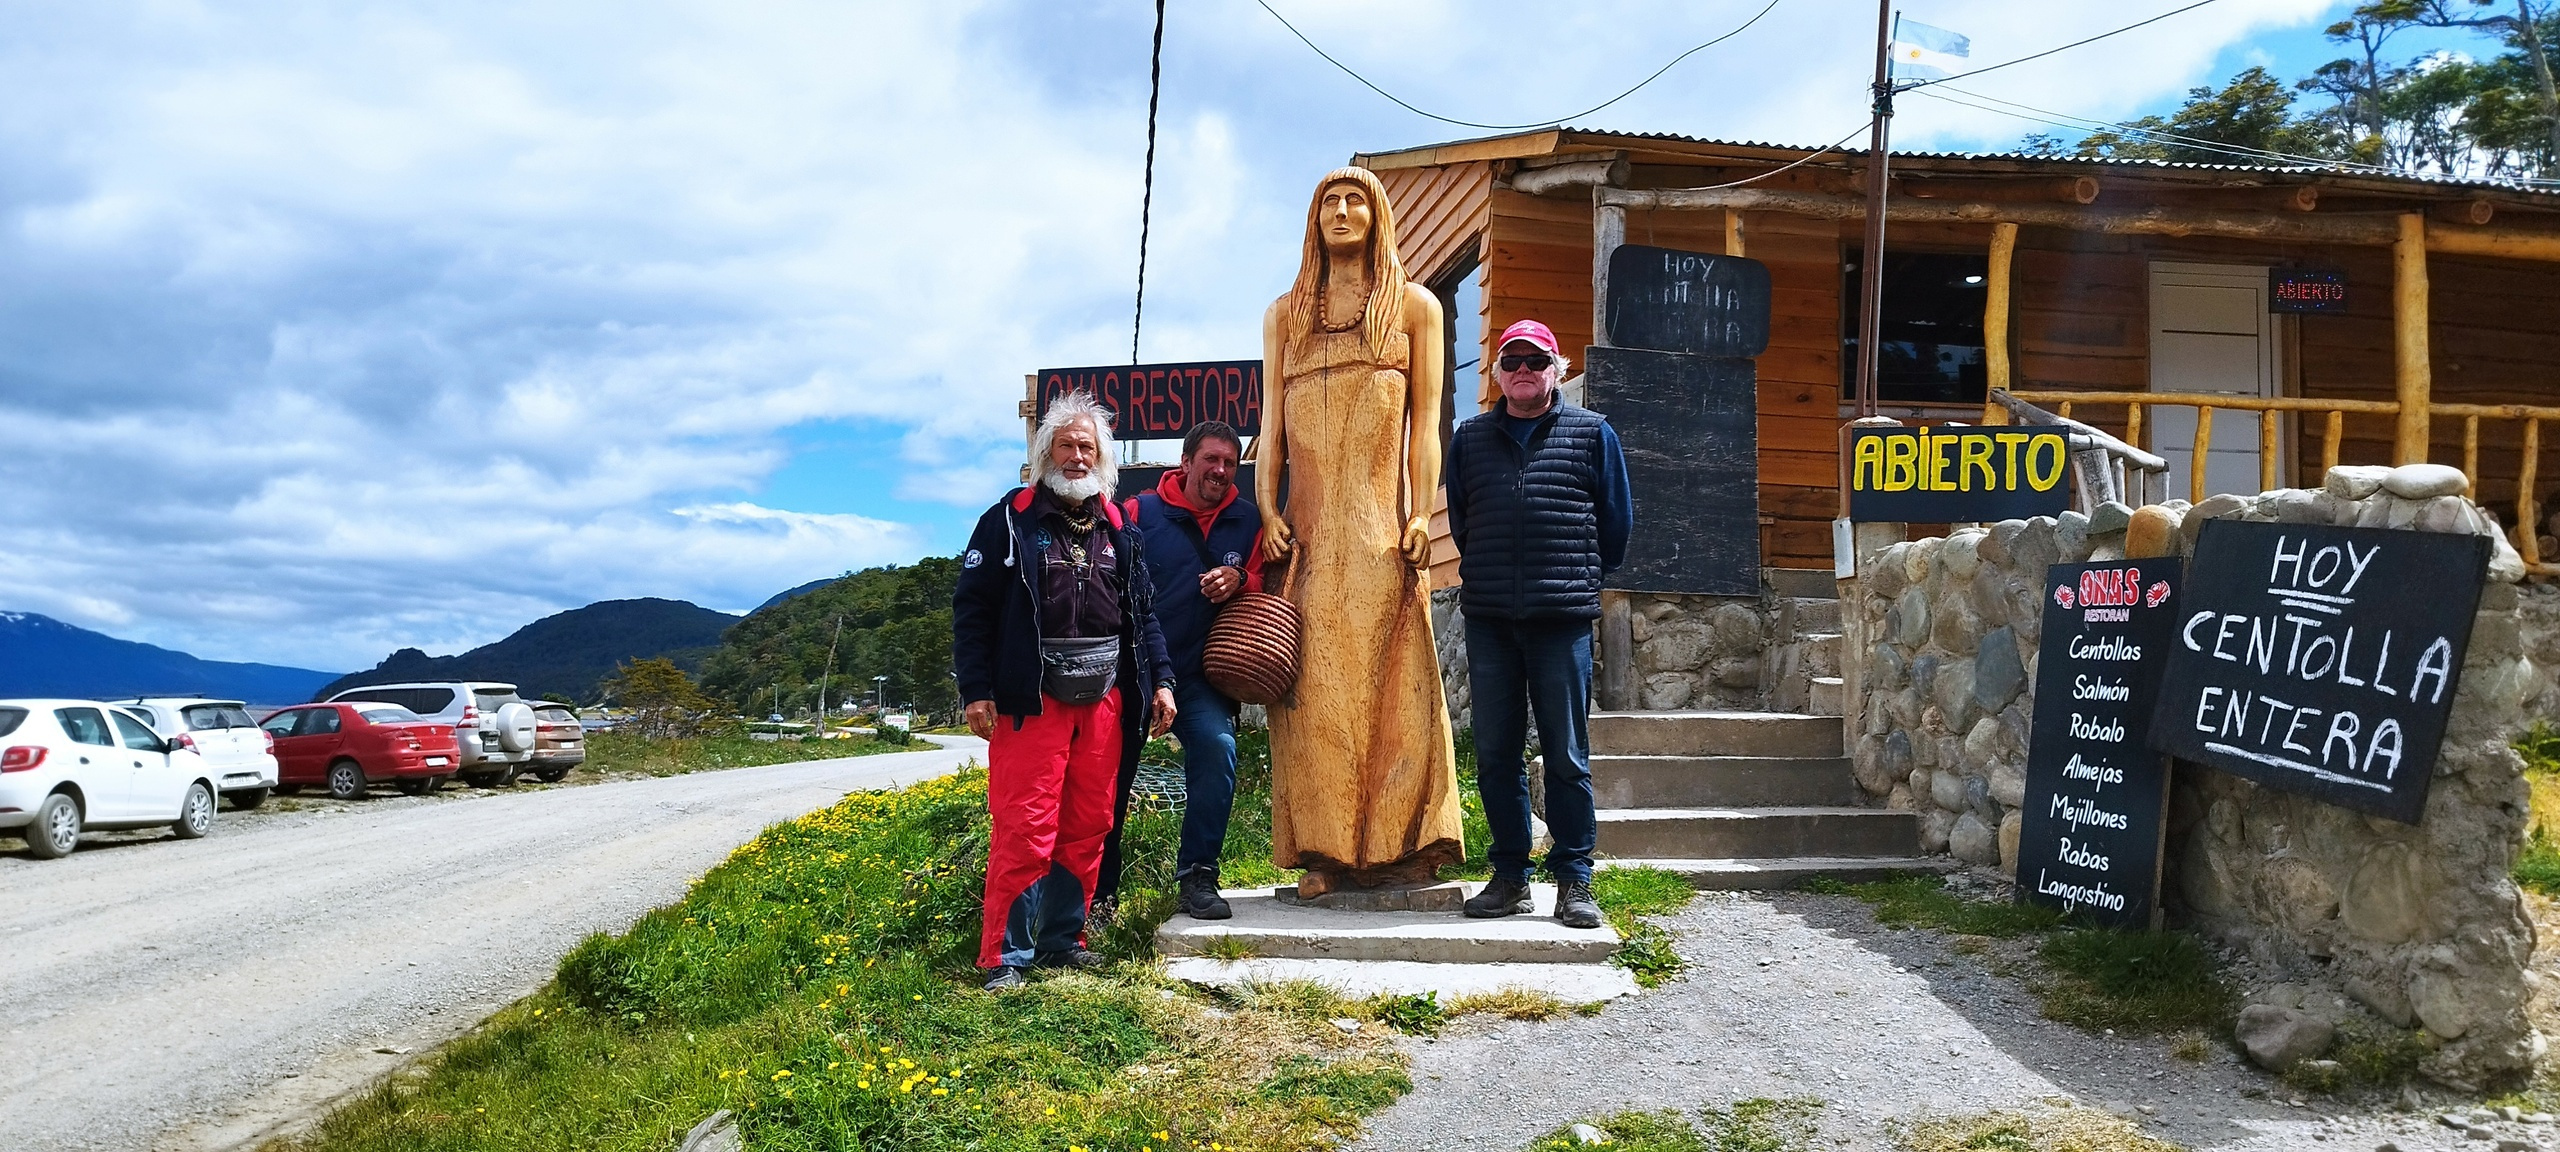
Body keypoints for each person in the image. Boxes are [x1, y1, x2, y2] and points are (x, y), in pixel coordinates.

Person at [1256, 166, 1466, 898]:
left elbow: (1427, 429)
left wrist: (1419, 513)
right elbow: (1270, 433)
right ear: (1313, 220)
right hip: (1310, 538)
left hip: (1381, 532)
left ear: (1377, 216)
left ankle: (1405, 846)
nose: (1341, 212)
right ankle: (1325, 851)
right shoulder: (1286, 315)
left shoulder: (1415, 308)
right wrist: (1268, 509)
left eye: (1355, 201)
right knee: (1314, 691)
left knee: (1395, 685)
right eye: (1328, 203)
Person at [952, 390, 1177, 990]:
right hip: (1032, 697)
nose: (1077, 456)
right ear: (1044, 453)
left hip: (1104, 696)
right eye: (1066, 445)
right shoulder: (1009, 518)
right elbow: (972, 609)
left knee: (1089, 821)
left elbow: (1144, 614)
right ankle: (1005, 955)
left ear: (1102, 457)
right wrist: (976, 689)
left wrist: (1162, 683)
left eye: (1088, 446)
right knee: (1026, 823)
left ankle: (1062, 942)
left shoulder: (1121, 524)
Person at [1443, 318, 1633, 929]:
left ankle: (1575, 881)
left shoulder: (1593, 434)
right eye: (1512, 361)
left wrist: (1572, 579)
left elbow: (1616, 527)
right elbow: (1464, 523)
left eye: (1536, 361)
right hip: (1492, 619)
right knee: (1495, 753)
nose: (1523, 370)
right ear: (1497, 373)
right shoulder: (1469, 439)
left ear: (1557, 370)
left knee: (1566, 755)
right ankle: (1510, 877)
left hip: (1561, 620)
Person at [1120, 420, 1265, 919]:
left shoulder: (1248, 520)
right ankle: (1097, 892)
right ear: (1185, 463)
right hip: (1133, 672)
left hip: (1203, 674)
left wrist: (1241, 576)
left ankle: (1198, 877)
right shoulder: (1138, 512)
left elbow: (1270, 575)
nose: (1221, 471)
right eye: (1211, 460)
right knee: (1112, 775)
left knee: (1218, 749)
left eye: (1229, 463)